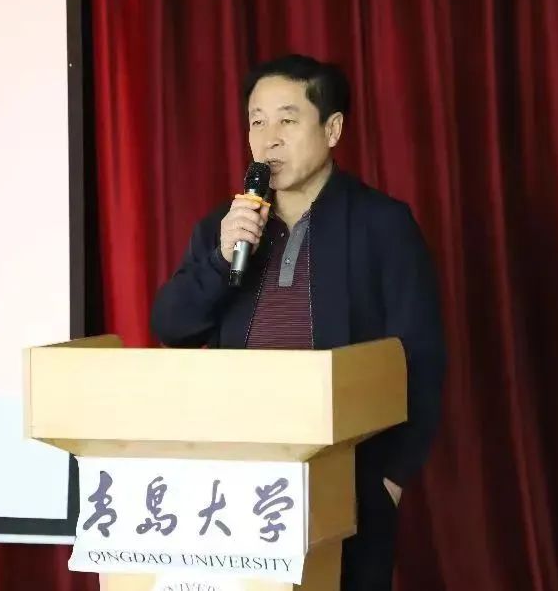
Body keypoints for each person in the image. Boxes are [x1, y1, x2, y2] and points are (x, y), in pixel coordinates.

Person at [149, 53, 446, 590]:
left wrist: (390, 477)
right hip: (239, 475)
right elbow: (171, 326)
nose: (269, 139)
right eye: (257, 121)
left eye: (287, 120)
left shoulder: (382, 224)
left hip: (347, 474)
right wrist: (220, 259)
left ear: (332, 130)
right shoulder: (225, 226)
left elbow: (420, 357)